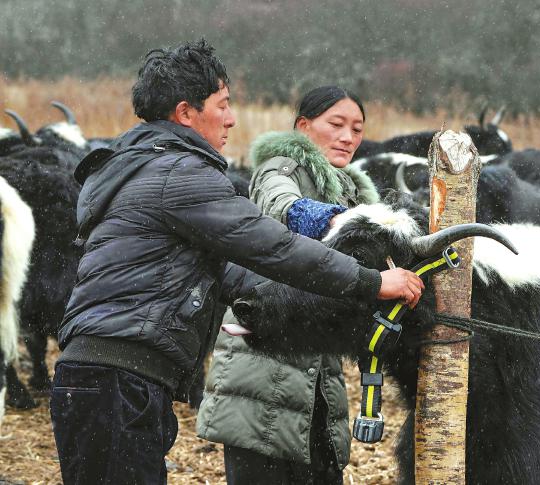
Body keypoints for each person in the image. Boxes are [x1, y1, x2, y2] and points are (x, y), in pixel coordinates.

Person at [49, 40, 424, 485]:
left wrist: (285, 304)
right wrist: (370, 282)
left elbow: (235, 272)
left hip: (113, 378)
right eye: (222, 105)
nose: (231, 118)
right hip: (117, 380)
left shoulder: (148, 167)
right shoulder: (181, 174)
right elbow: (273, 246)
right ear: (186, 113)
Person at [197, 86, 378, 484]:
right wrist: (349, 227)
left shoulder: (352, 194)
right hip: (259, 357)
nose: (348, 137)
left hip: (318, 372)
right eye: (337, 124)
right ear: (303, 126)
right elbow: (284, 205)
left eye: (357, 129)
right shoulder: (280, 168)